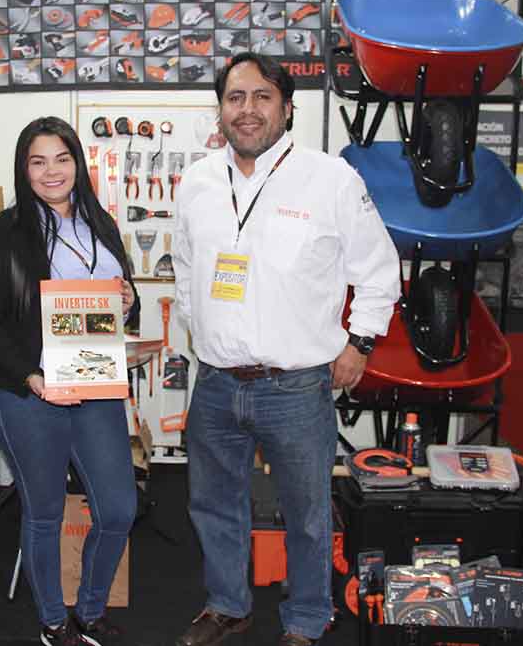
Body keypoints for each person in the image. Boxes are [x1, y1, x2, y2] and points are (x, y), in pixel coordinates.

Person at [172, 52, 400, 646]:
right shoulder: (198, 182)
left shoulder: (331, 180)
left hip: (296, 386)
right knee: (213, 505)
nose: (247, 110)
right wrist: (203, 332)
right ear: (220, 111)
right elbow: (186, 269)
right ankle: (228, 605)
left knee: (307, 513)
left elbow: (379, 270)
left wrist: (360, 342)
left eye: (261, 97)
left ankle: (305, 618)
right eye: (235, 98)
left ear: (287, 108)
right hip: (216, 382)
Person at [0, 116, 139, 646]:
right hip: (30, 393)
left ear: (77, 164)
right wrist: (29, 375)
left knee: (118, 509)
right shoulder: (6, 232)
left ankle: (89, 610)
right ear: (24, 169)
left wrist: (128, 300)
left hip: (95, 387)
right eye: (38, 161)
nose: (51, 171)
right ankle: (51, 622)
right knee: (43, 512)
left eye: (61, 159)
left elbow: (121, 300)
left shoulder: (101, 224)